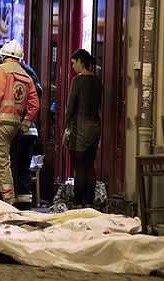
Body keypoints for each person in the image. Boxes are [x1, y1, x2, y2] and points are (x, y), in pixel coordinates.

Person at [0, 45, 43, 210]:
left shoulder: (0, 70)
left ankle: (8, 202)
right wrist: (25, 124)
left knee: (1, 164)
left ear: (3, 56)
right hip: (15, 125)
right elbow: (35, 105)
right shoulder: (26, 75)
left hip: (0, 123)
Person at [63, 48, 103, 208]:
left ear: (81, 61)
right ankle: (89, 202)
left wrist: (66, 126)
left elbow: (71, 107)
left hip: (80, 127)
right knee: (90, 166)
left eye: (74, 63)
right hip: (94, 127)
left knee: (80, 168)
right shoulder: (98, 81)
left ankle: (77, 203)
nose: (73, 66)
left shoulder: (78, 81)